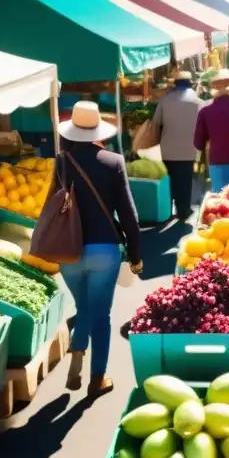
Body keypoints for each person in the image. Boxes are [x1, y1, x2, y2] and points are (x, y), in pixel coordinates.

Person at [51, 101, 142, 395]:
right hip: (105, 250)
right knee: (100, 313)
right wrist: (137, 256)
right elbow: (128, 213)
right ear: (98, 130)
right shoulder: (113, 162)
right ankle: (97, 378)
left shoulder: (61, 162)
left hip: (68, 250)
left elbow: (53, 206)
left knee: (85, 306)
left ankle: (78, 350)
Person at [153, 71, 203, 221]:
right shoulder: (198, 102)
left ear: (175, 84)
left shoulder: (165, 100)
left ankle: (168, 210)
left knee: (170, 180)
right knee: (186, 180)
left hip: (168, 148)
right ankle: (183, 210)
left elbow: (156, 124)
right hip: (189, 149)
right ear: (191, 84)